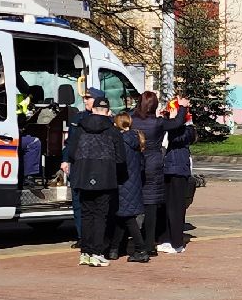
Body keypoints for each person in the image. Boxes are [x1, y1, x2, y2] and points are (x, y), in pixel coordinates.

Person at [63, 88, 123, 267]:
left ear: (93, 109)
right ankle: (97, 252)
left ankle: (86, 252)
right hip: (104, 177)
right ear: (107, 112)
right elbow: (120, 158)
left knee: (87, 214)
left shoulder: (80, 128)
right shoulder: (112, 131)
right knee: (100, 216)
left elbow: (71, 152)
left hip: (82, 176)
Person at [111, 111, 153, 262]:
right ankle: (114, 248)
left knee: (127, 217)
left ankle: (141, 249)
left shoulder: (120, 140)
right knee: (122, 217)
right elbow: (141, 164)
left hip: (123, 182)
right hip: (134, 182)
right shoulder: (136, 139)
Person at [132, 93, 170, 256]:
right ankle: (149, 244)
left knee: (131, 204)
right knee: (151, 206)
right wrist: (180, 110)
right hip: (154, 162)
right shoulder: (158, 123)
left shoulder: (133, 119)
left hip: (135, 161)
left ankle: (130, 242)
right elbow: (176, 123)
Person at [160, 98, 196, 253]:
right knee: (166, 207)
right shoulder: (168, 125)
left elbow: (178, 138)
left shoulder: (187, 129)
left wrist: (178, 117)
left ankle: (177, 243)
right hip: (166, 169)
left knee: (176, 208)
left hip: (178, 170)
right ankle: (167, 239)